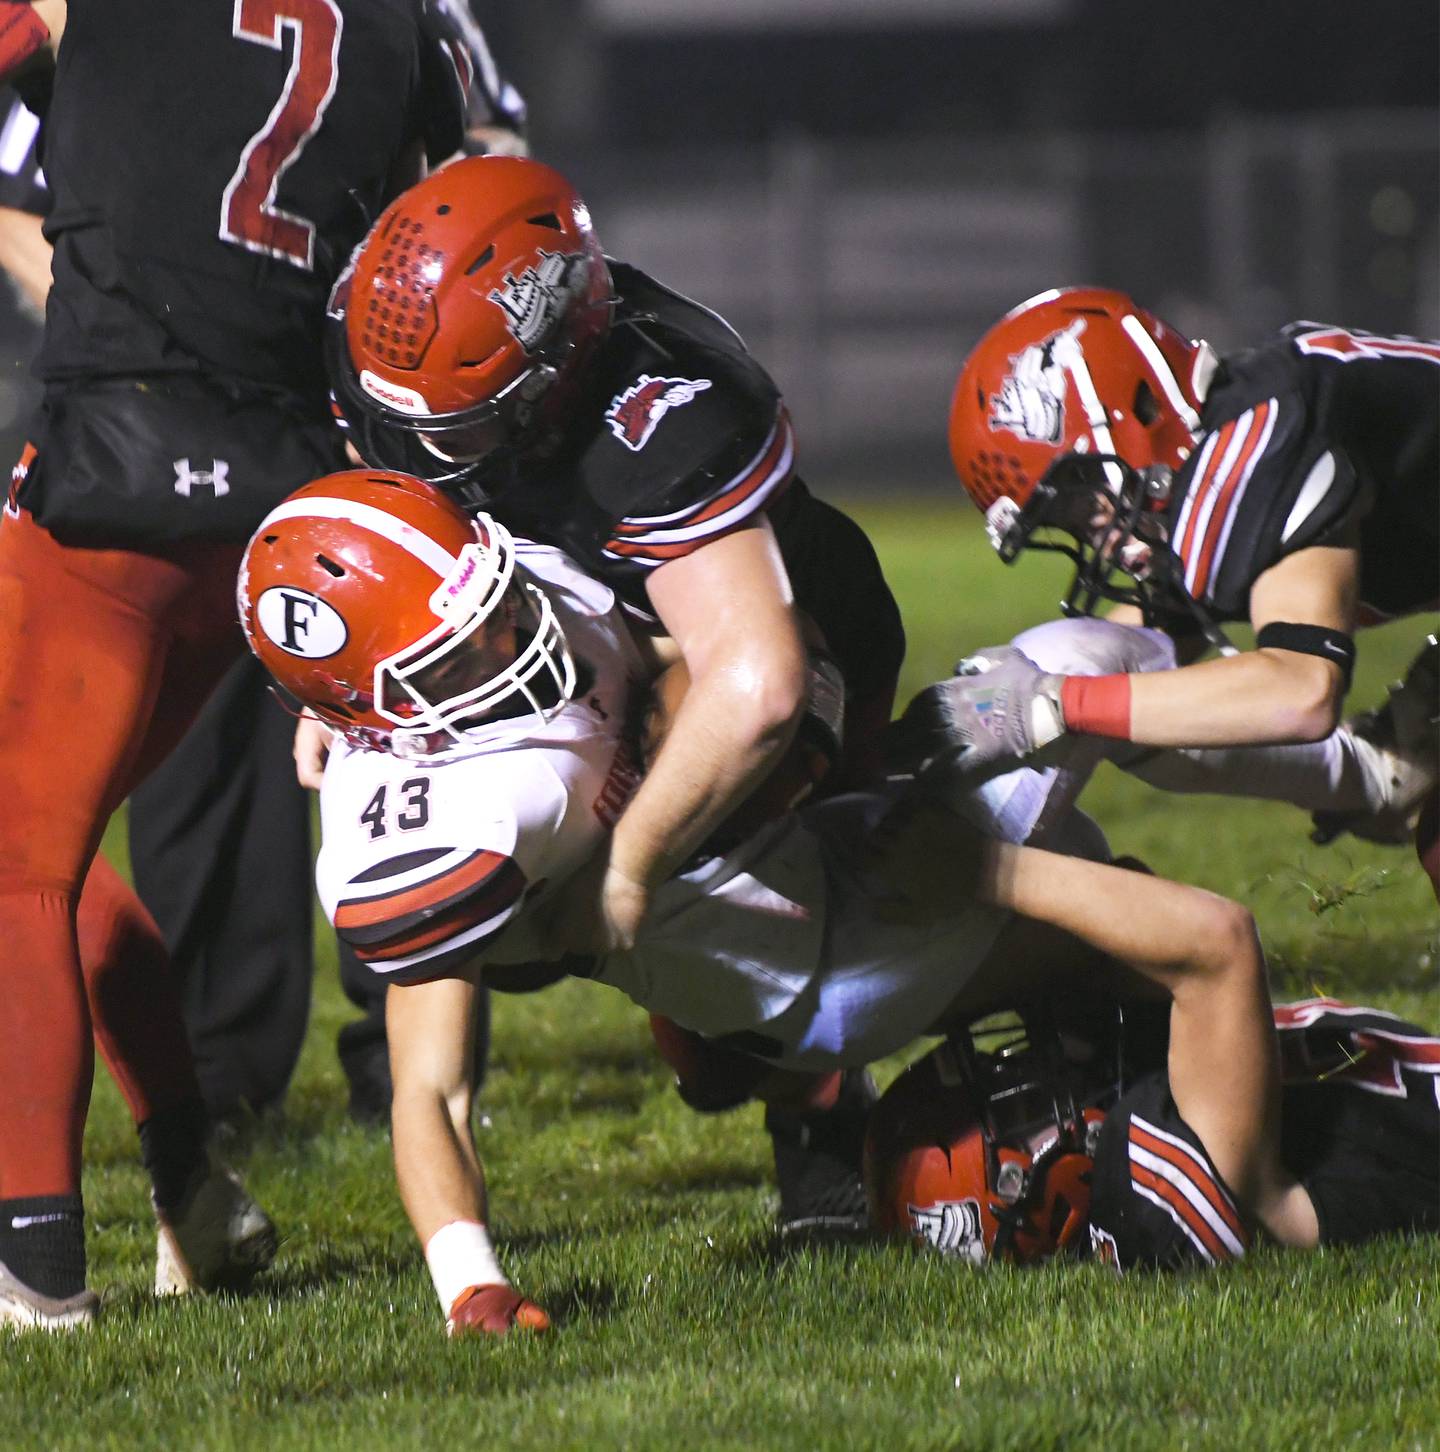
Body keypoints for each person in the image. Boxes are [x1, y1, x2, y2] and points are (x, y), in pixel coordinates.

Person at [239, 470, 1301, 1334]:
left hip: (812, 892)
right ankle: (1326, 742)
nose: (511, 643)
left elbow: (727, 659)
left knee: (1118, 903)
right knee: (1054, 678)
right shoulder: (442, 830)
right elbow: (429, 1092)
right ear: (368, 714)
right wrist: (469, 1284)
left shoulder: (529, 598)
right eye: (457, 654)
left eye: (496, 607)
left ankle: (1140, 1068)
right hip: (840, 962)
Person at [0, 0, 482, 1328]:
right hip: (285, 512)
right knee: (48, 842)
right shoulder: (400, 28)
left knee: (15, 869)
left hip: (120, 472)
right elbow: (422, 257)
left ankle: (34, 1270)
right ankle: (191, 1191)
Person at [321, 152, 908, 1227]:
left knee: (728, 1046)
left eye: (461, 424)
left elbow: (761, 679)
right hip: (555, 631)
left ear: (556, 372)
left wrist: (629, 870)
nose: (429, 452)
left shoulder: (661, 418)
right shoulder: (397, 341)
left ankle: (826, 1112)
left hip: (766, 653)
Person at [940, 288, 1439, 892]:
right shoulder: (1234, 438)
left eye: (1078, 504)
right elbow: (1140, 650)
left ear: (1133, 410)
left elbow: (1302, 690)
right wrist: (991, 700)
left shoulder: (1254, 450)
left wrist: (1053, 703)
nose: (1094, 541)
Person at [868, 993, 1439, 1270]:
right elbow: (1218, 942)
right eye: (1021, 1104)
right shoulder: (1157, 1146)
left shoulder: (1154, 1065)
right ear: (1010, 1196)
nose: (1032, 1068)